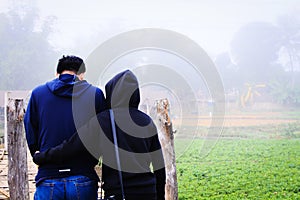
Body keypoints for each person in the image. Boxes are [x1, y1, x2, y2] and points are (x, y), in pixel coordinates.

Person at [34, 70, 166, 200]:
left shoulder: (103, 120)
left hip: (118, 192)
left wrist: (41, 156)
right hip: (148, 191)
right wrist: (159, 195)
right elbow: (159, 165)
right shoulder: (147, 121)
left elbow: (71, 147)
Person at [24, 55, 106, 200]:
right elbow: (102, 134)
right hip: (83, 175)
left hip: (48, 175)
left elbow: (30, 128)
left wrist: (40, 155)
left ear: (57, 73)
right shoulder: (96, 94)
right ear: (82, 74)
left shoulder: (38, 94)